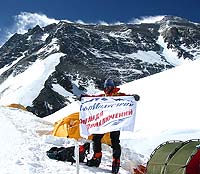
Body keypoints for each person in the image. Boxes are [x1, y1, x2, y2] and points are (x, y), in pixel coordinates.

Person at [81, 78, 140, 174]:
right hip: (105, 122)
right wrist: (84, 97)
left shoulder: (118, 95)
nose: (107, 89)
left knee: (114, 141)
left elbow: (127, 98)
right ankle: (97, 156)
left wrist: (133, 97)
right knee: (97, 138)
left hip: (115, 122)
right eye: (106, 87)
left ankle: (115, 161)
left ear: (112, 87)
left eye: (109, 87)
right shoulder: (104, 96)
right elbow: (93, 99)